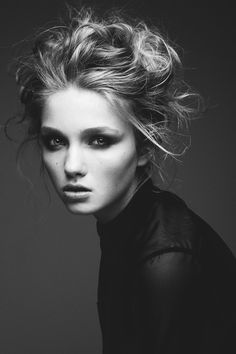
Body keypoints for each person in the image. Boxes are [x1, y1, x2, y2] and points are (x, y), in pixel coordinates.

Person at [10, 7, 236, 354]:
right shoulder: (128, 229)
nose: (72, 165)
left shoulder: (165, 261)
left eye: (99, 140)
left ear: (144, 145)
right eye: (55, 141)